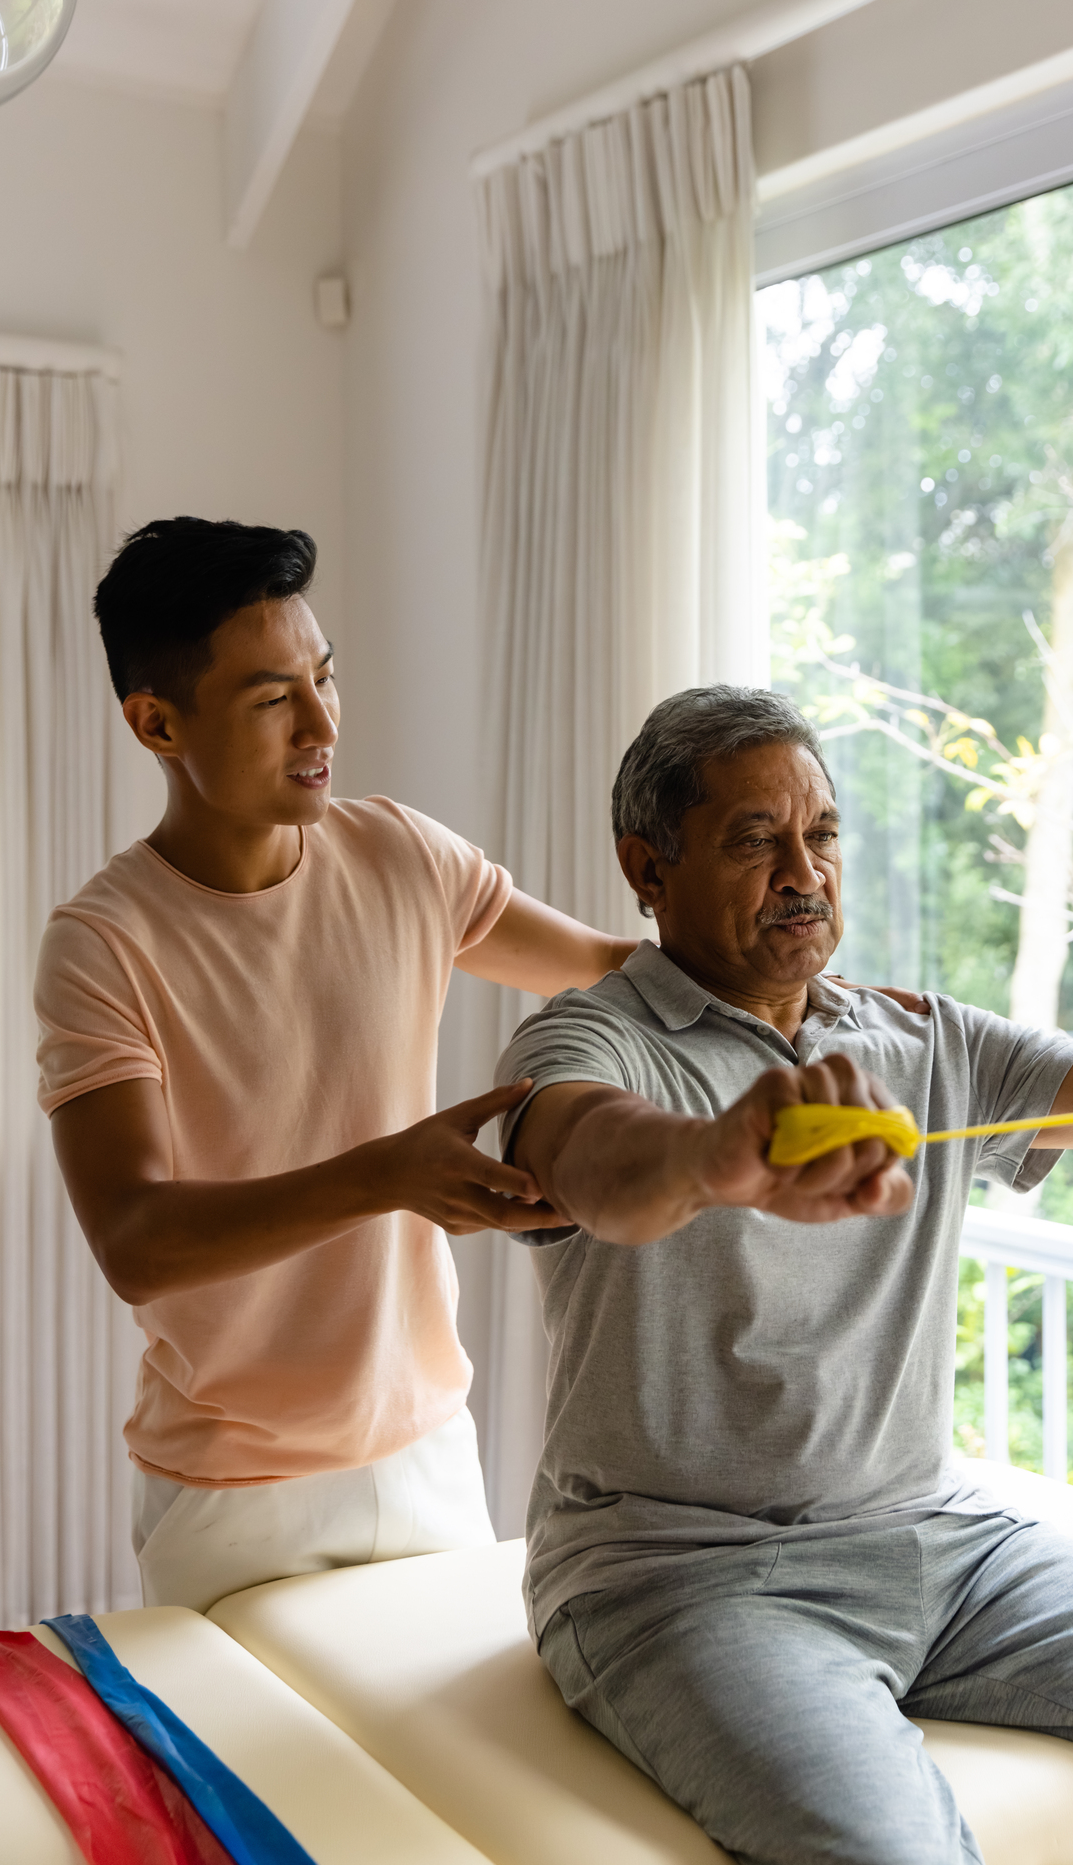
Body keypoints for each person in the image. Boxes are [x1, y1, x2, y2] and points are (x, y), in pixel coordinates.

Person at [498, 683, 1073, 1865]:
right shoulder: (587, 1037)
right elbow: (594, 1161)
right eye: (754, 837)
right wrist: (724, 1154)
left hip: (939, 1539)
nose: (801, 871)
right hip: (680, 1578)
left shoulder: (924, 1041)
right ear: (646, 866)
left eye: (819, 834)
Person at [36, 515, 634, 1614]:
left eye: (324, 677)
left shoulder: (400, 852)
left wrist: (804, 995)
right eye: (272, 698)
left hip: (430, 1461)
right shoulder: (104, 941)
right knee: (246, 1794)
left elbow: (607, 968)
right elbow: (136, 1239)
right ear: (155, 720)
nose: (321, 722)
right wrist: (387, 1173)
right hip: (229, 1498)